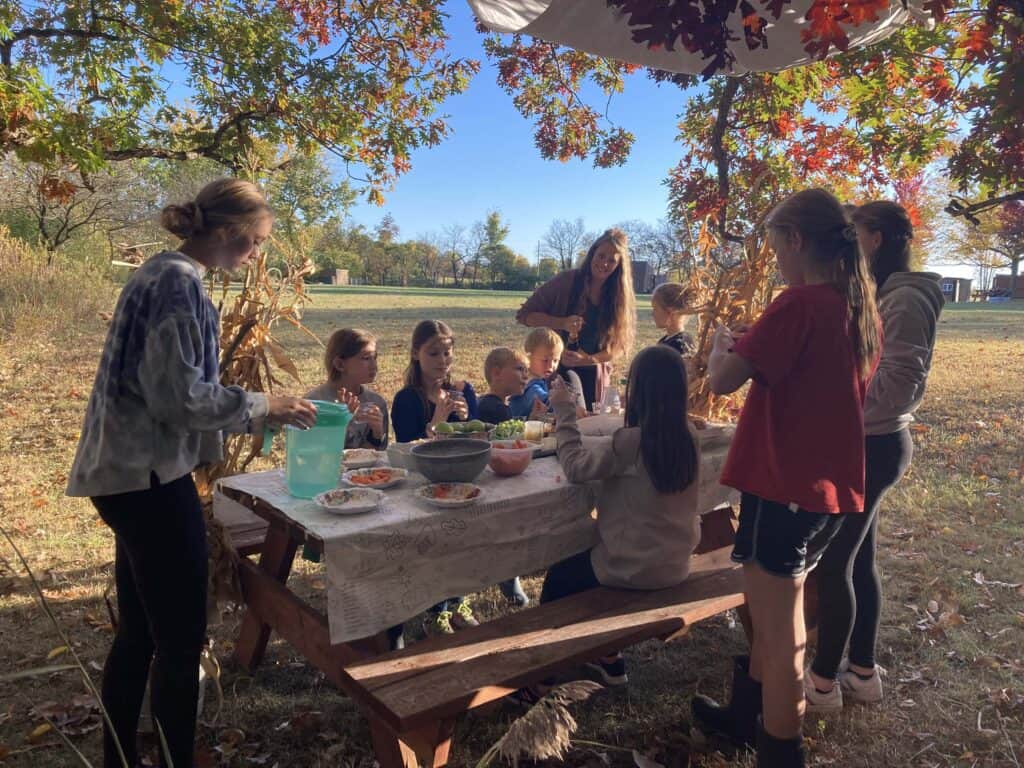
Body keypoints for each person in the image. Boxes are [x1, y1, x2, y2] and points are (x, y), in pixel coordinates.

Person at [66, 179, 317, 768]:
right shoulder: (178, 283)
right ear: (228, 232)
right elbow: (179, 397)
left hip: (123, 475)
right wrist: (264, 405)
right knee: (179, 643)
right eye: (255, 241)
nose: (255, 255)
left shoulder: (160, 273)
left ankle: (120, 757)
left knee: (139, 634)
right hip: (147, 477)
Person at [690, 188, 881, 767]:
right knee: (768, 615)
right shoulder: (851, 305)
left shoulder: (798, 304)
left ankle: (780, 752)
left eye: (774, 243)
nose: (772, 256)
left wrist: (725, 345)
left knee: (779, 637)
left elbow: (722, 380)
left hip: (787, 490)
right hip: (815, 490)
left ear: (796, 240)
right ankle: (742, 718)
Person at [804, 201, 944, 712]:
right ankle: (861, 672)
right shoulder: (883, 295)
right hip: (869, 441)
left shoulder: (906, 301)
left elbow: (896, 389)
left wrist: (830, 405)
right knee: (860, 558)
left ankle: (821, 685)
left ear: (878, 238)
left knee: (834, 561)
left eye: (855, 234)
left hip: (874, 445)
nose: (849, 246)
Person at [514, 345, 700, 700]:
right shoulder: (687, 436)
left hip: (632, 569)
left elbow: (575, 465)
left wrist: (565, 413)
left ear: (638, 392)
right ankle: (608, 658)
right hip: (675, 564)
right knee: (582, 561)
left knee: (559, 578)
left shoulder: (631, 443)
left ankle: (541, 679)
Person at [391, 320, 479, 633]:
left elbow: (478, 442)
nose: (442, 360)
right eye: (434, 353)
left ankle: (457, 601)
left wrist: (469, 421)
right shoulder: (407, 400)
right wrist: (437, 422)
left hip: (459, 479)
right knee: (433, 546)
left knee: (462, 542)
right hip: (422, 486)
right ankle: (435, 609)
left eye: (447, 353)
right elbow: (409, 452)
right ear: (416, 354)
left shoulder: (463, 390)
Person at [516, 229, 636, 410]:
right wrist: (561, 322)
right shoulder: (566, 281)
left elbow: (617, 348)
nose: (604, 263)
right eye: (601, 255)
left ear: (619, 265)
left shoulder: (619, 296)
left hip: (593, 380)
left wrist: (586, 359)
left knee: (587, 424)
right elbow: (525, 316)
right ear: (592, 253)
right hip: (553, 371)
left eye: (611, 260)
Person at [305, 328, 389, 449]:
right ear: (340, 364)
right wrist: (341, 420)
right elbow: (312, 452)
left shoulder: (376, 403)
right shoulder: (314, 404)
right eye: (366, 358)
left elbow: (377, 455)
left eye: (374, 358)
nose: (374, 366)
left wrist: (377, 434)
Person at [508, 327, 588, 420]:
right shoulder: (528, 383)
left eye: (555, 360)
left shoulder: (538, 379)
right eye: (545, 360)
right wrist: (569, 407)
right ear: (528, 357)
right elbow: (544, 400)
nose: (551, 365)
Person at [477, 347, 543, 425]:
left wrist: (533, 418)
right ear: (497, 373)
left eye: (526, 371)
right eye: (520, 369)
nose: (526, 376)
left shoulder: (485, 402)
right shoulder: (497, 409)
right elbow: (512, 436)